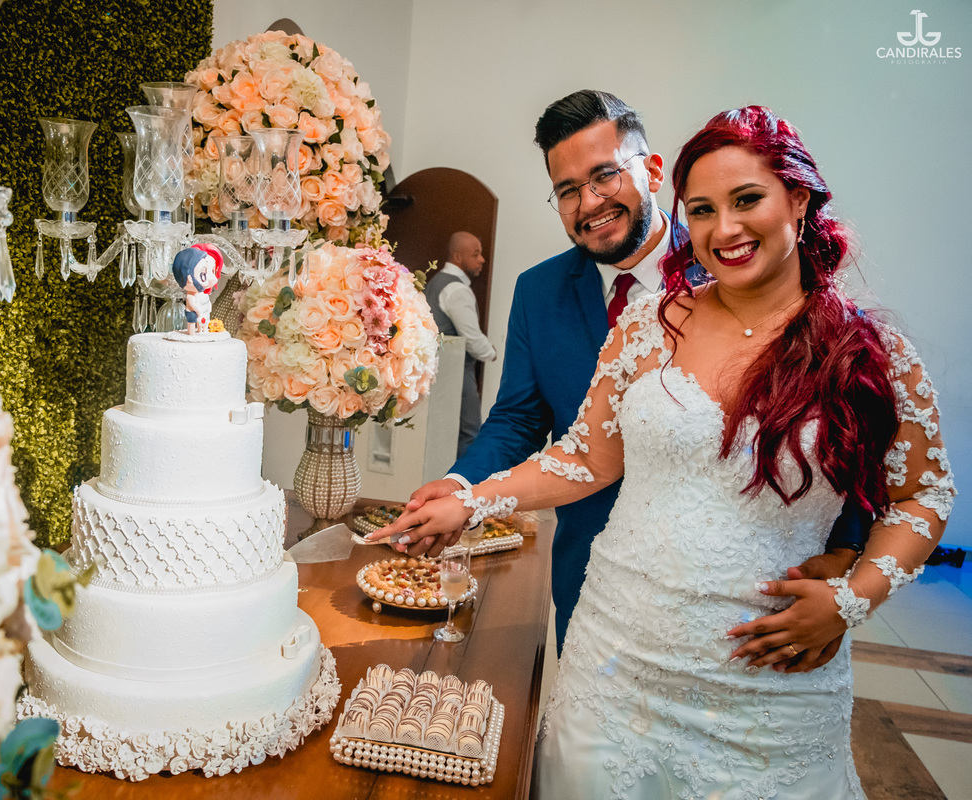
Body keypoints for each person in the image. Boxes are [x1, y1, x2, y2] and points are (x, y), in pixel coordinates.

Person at [376, 105, 953, 798]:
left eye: (747, 200)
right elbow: (585, 456)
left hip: (768, 683)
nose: (724, 229)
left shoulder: (870, 353)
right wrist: (469, 497)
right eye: (703, 210)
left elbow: (922, 493)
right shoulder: (650, 324)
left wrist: (852, 595)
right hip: (615, 657)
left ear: (798, 198)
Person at [396, 90, 866, 664]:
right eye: (568, 190)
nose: (589, 203)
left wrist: (846, 557)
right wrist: (461, 485)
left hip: (749, 598)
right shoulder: (538, 291)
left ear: (653, 171)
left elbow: (848, 430)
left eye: (604, 176)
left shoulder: (739, 263)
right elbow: (519, 417)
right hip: (591, 574)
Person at [424, 232, 498, 457]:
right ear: (457, 257)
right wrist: (491, 352)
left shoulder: (436, 282)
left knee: (439, 433)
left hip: (435, 371)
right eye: (475, 254)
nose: (482, 260)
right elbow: (472, 338)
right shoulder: (457, 290)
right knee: (470, 431)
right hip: (457, 371)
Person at [171, 243, 223, 334]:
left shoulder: (203, 294)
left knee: (204, 322)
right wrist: (198, 311)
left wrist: (208, 307)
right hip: (194, 312)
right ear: (189, 278)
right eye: (203, 274)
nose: (212, 278)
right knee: (192, 322)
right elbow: (192, 304)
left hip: (204, 310)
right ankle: (192, 333)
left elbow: (206, 301)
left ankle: (203, 331)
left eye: (213, 271)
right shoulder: (191, 295)